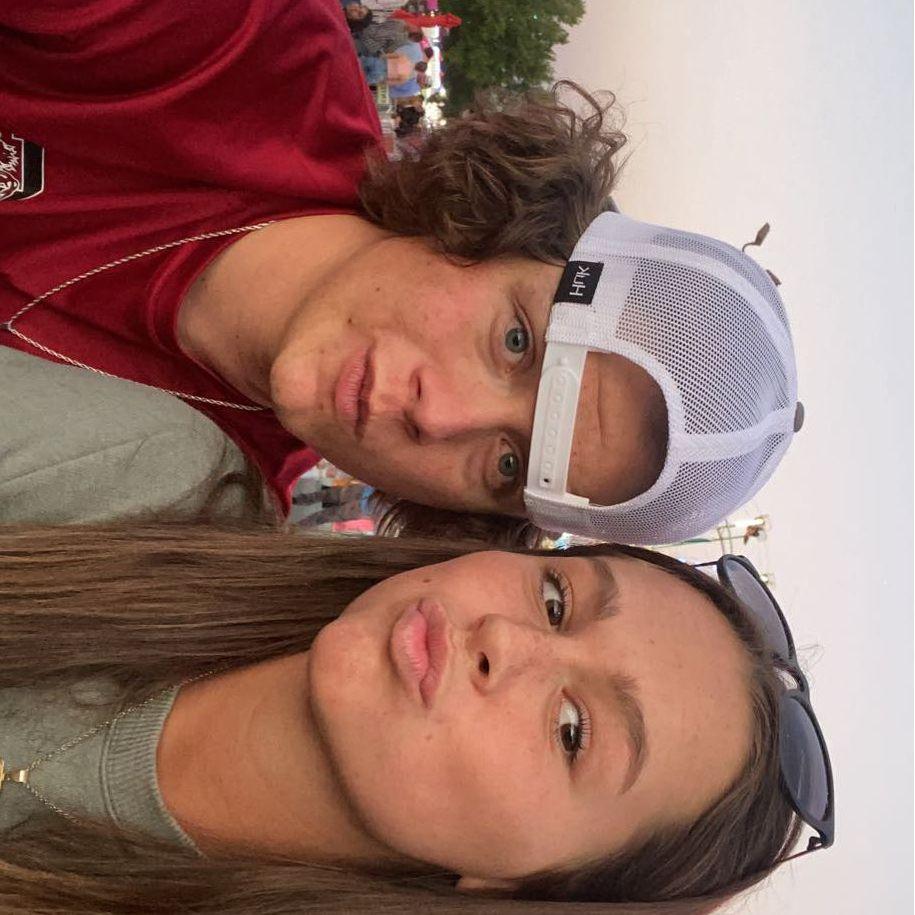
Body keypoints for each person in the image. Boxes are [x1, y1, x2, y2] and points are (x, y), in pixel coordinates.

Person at [0, 0, 801, 547]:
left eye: (509, 465)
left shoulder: (174, 522)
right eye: (517, 341)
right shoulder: (239, 47)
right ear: (501, 222)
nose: (439, 415)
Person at [0, 524, 832, 911]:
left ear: (525, 888)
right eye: (555, 599)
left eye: (573, 730)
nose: (505, 638)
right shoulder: (156, 491)